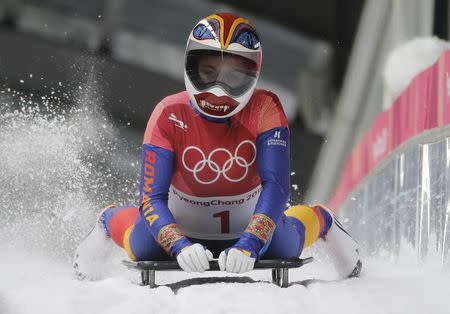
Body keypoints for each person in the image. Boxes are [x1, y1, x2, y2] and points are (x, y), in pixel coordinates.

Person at [73, 12, 361, 280]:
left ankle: (322, 219)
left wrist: (250, 242)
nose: (218, 89)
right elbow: (151, 198)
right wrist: (178, 244)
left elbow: (276, 186)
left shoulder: (265, 108)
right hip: (181, 223)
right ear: (191, 67)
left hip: (247, 223)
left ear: (252, 75)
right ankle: (108, 219)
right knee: (142, 246)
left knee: (286, 246)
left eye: (233, 77)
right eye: (208, 73)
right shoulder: (168, 113)